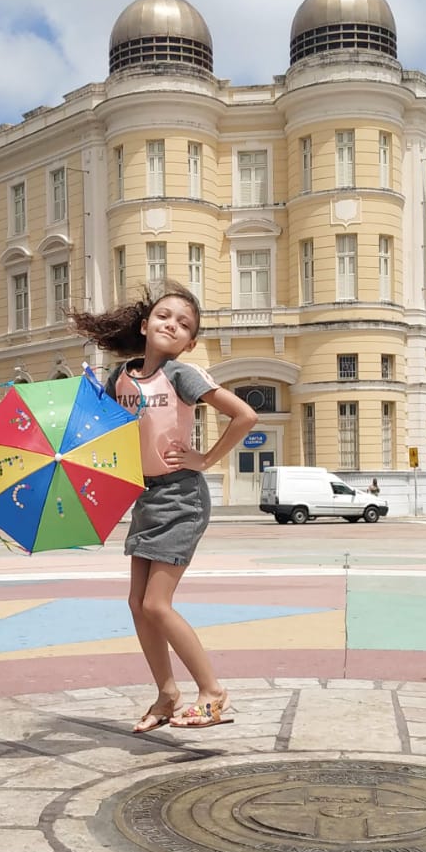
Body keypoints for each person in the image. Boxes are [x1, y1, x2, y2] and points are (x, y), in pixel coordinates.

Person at [72, 285, 256, 732]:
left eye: (184, 324)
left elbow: (245, 416)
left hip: (181, 496)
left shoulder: (181, 375)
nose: (172, 324)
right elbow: (109, 437)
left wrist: (205, 459)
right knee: (137, 603)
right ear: (144, 324)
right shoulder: (121, 377)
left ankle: (212, 692)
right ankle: (166, 694)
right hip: (145, 495)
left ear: (189, 342)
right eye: (164, 316)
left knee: (156, 603)